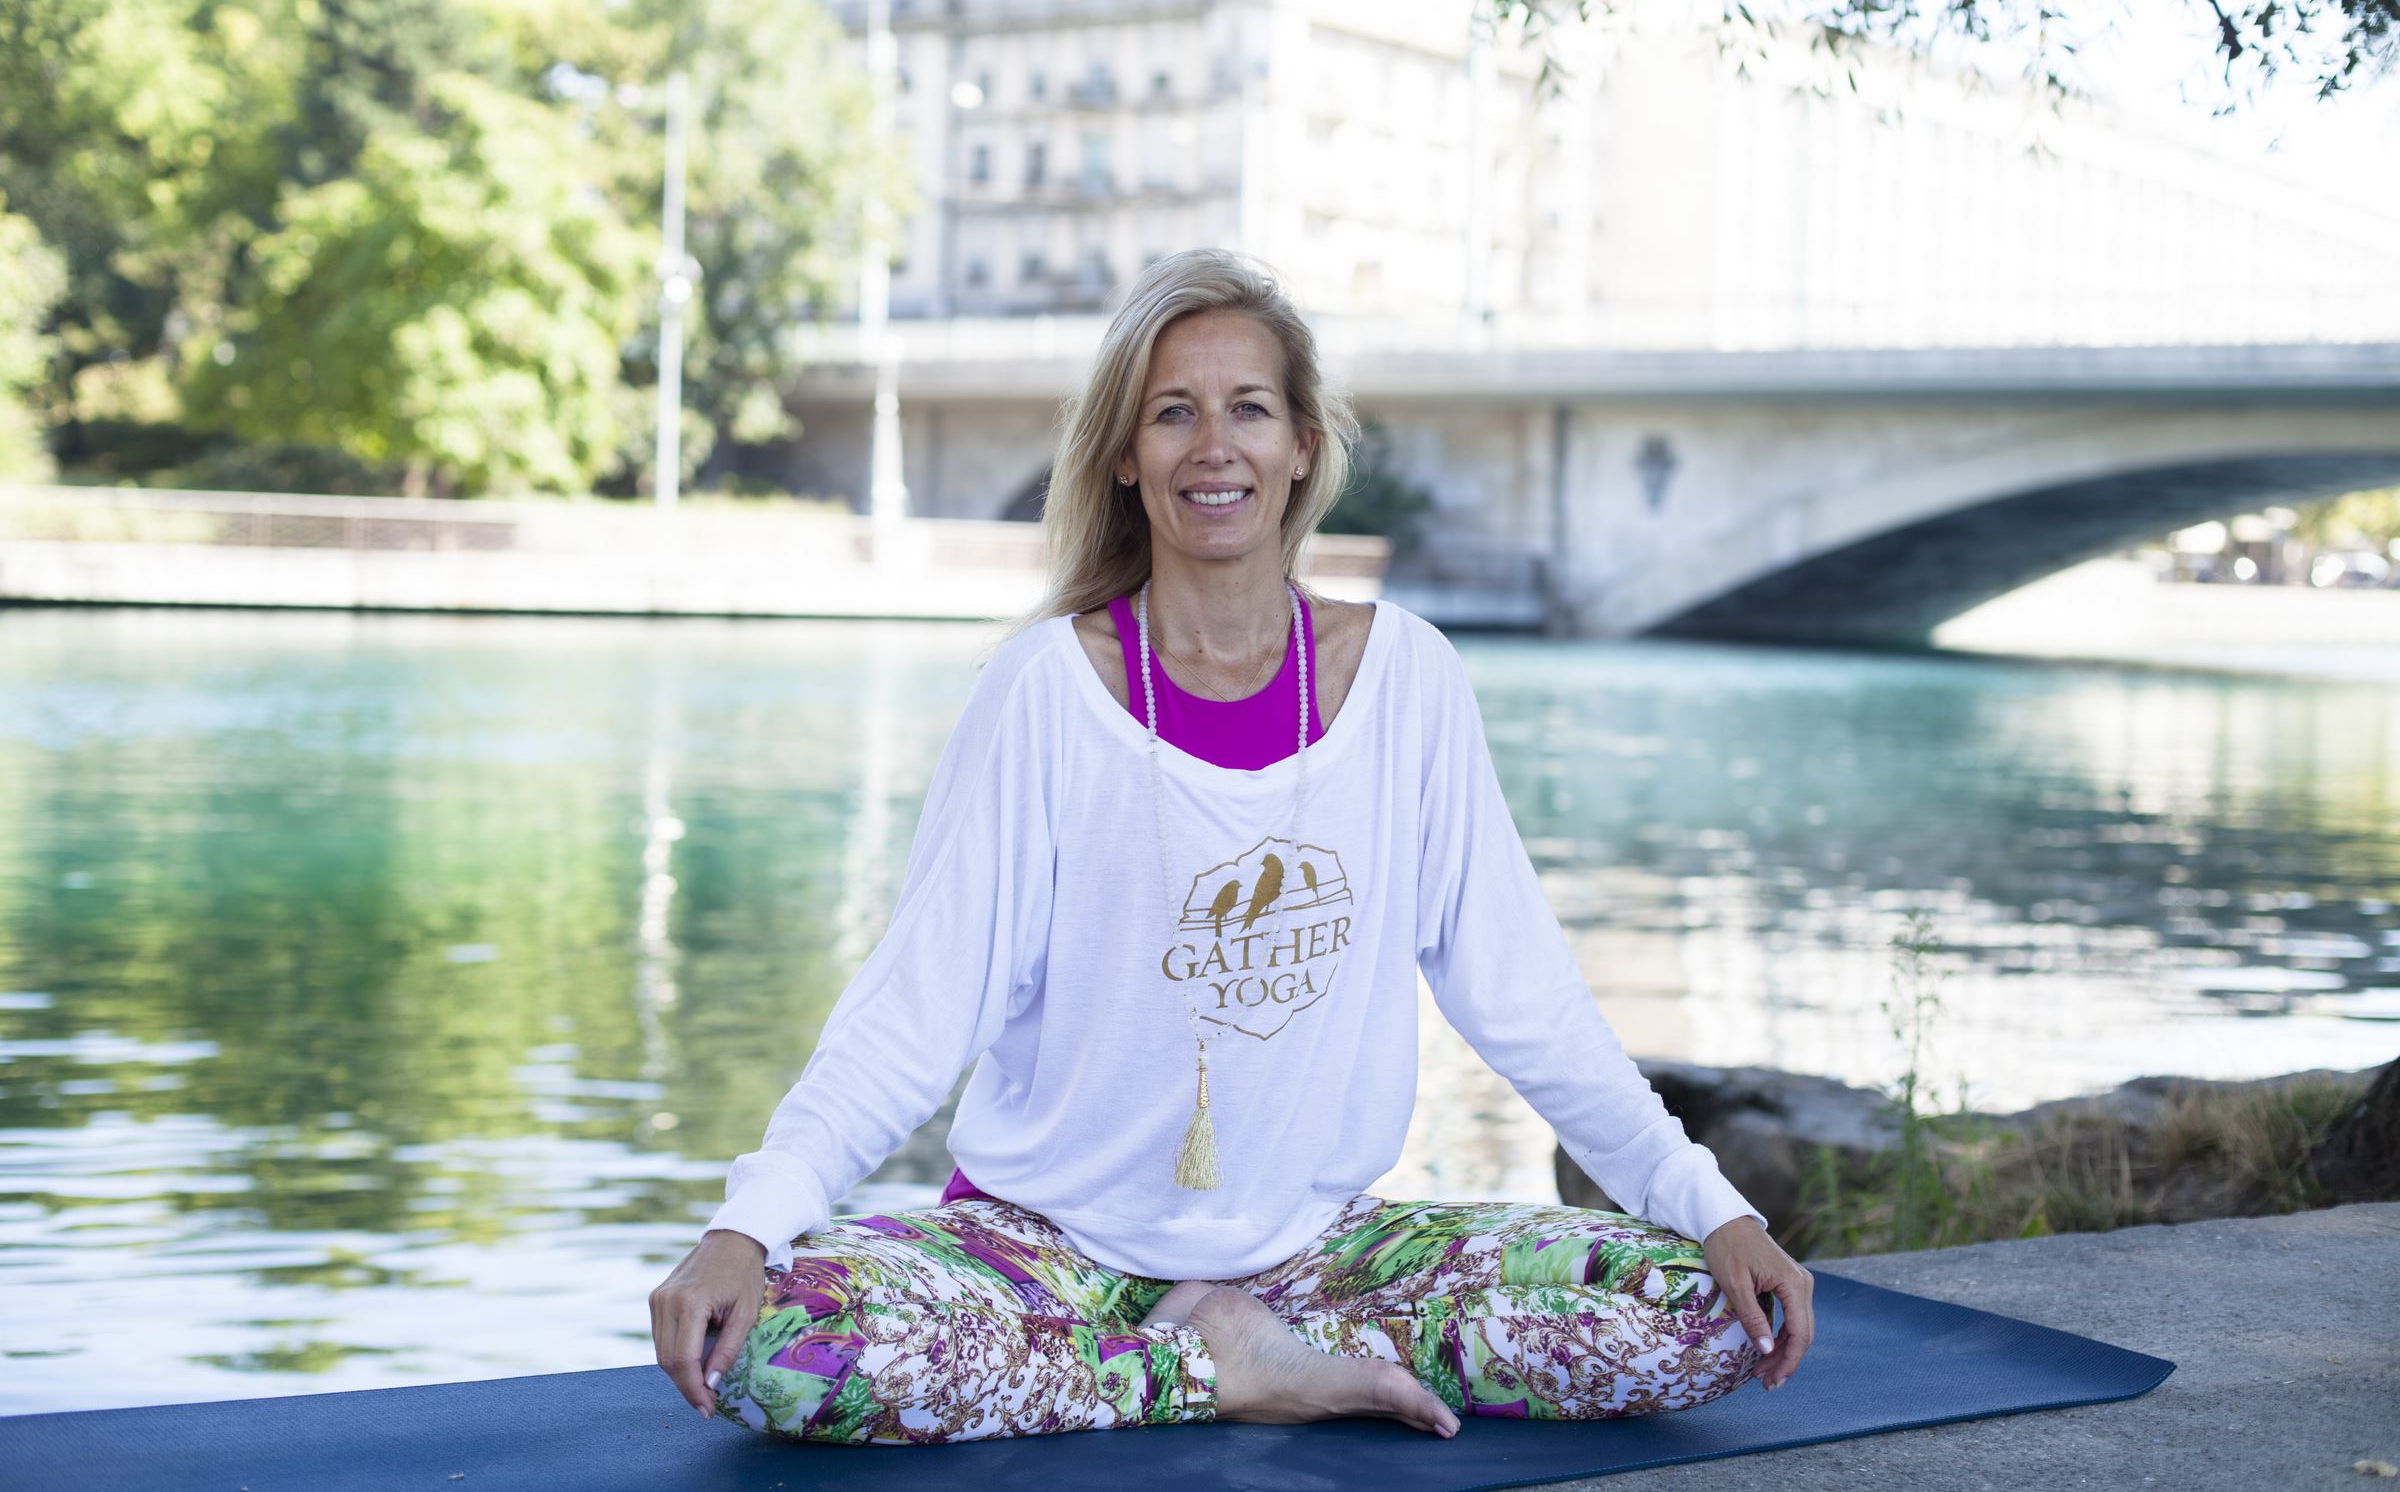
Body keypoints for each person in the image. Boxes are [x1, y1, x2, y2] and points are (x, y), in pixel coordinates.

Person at [649, 247, 1815, 1446]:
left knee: (1698, 1315)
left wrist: (1713, 1206)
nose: (1214, 446)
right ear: (1125, 454)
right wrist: (748, 1224)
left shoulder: (1407, 681)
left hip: (1322, 1257)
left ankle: (1215, 1355)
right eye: (1173, 413)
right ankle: (1218, 1367)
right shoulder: (1046, 692)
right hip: (1047, 1256)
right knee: (782, 1352)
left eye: (1248, 408)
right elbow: (914, 1010)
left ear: (1302, 444)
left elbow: (1527, 1000)